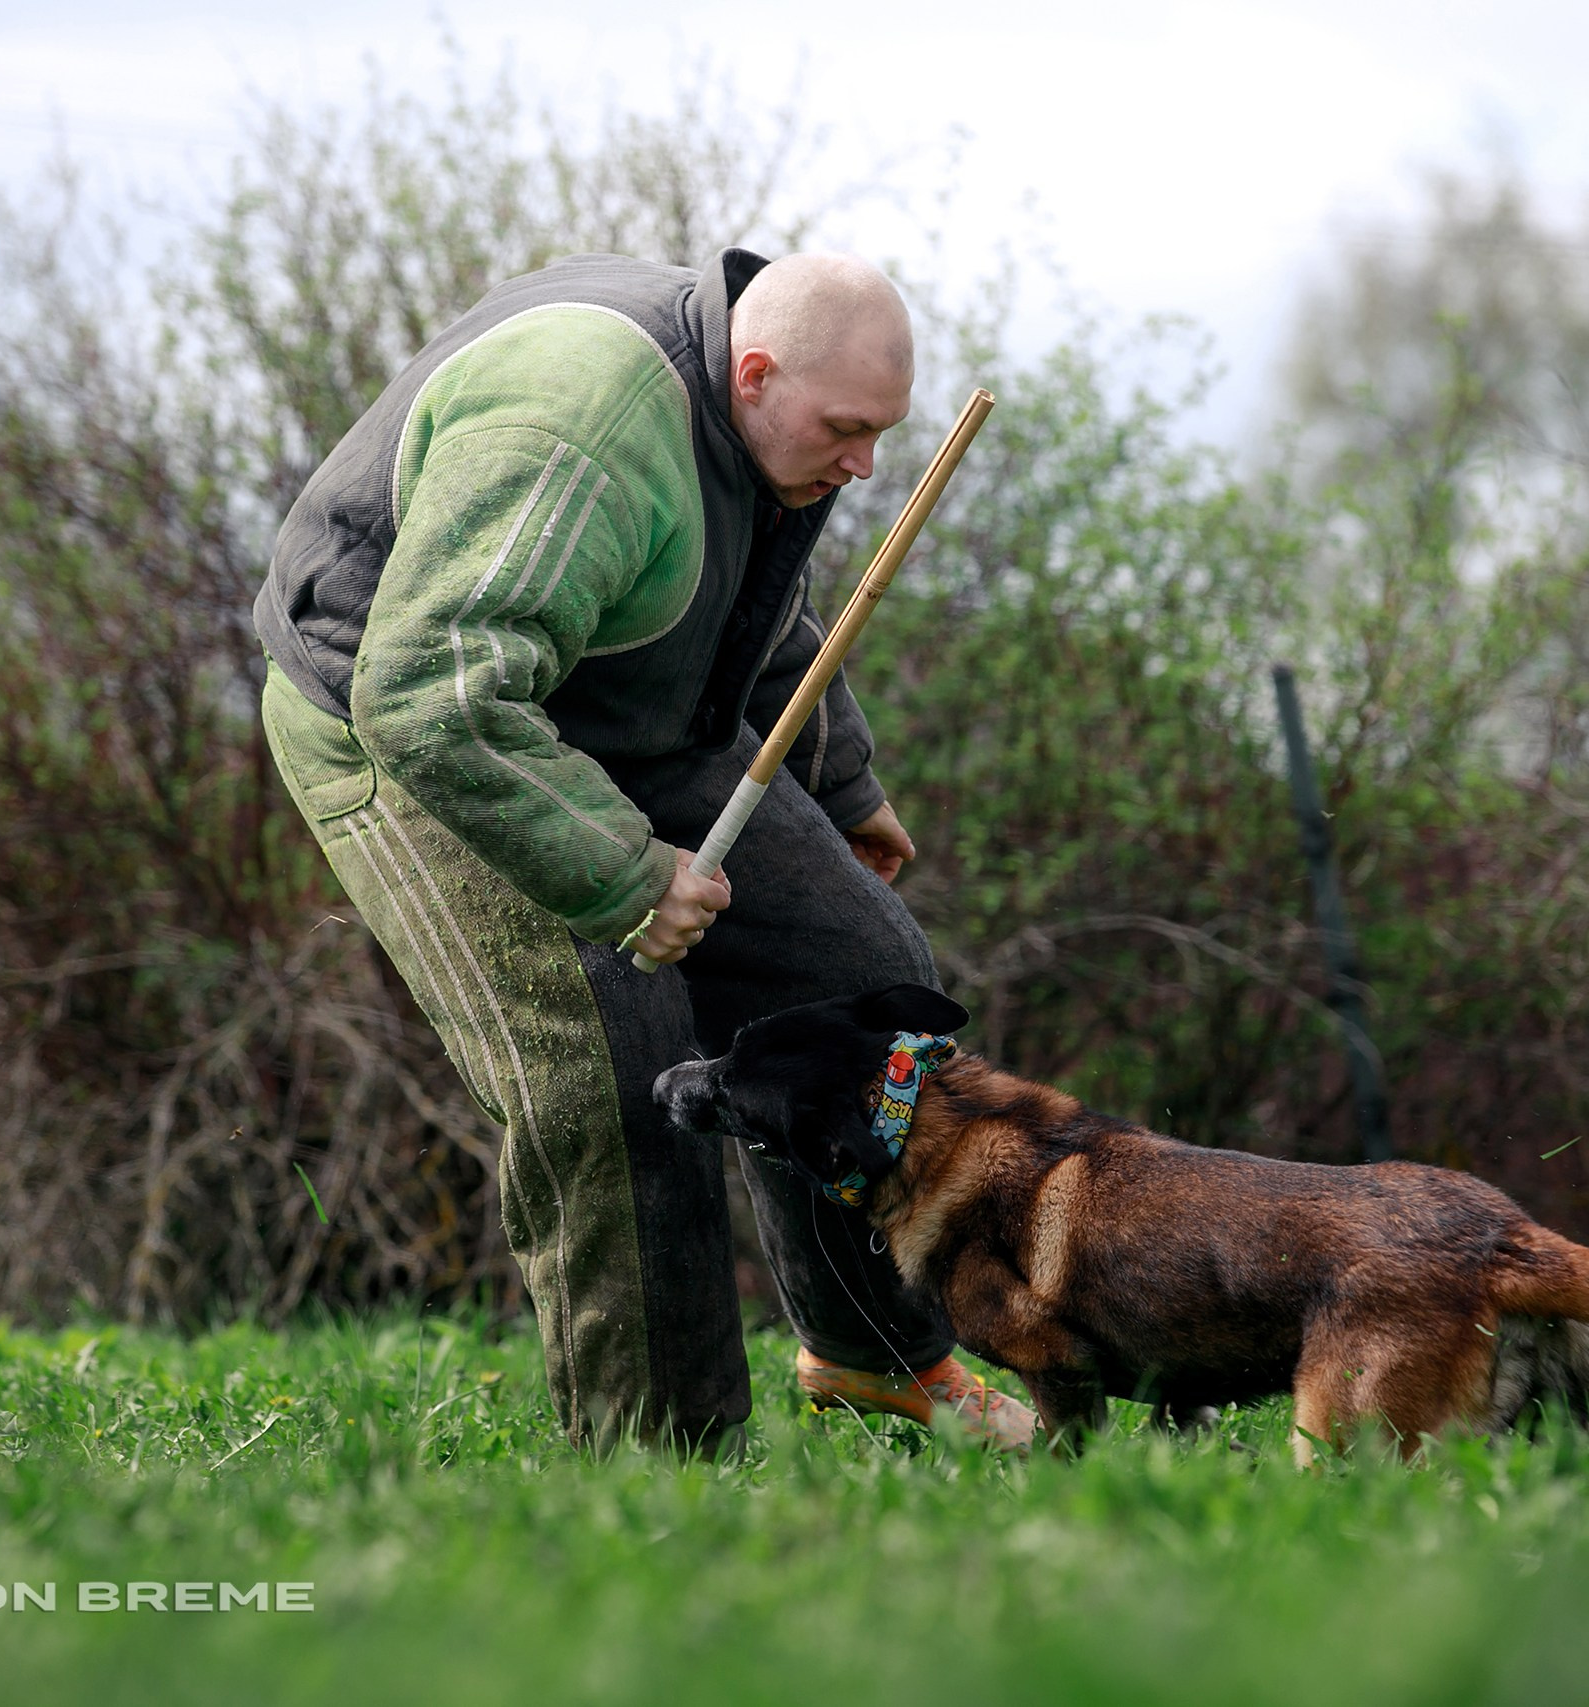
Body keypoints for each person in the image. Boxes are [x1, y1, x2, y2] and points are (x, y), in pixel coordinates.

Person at [251, 246, 1036, 1455]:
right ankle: (662, 1462)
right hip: (403, 720)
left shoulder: (765, 416)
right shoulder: (580, 435)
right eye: (845, 429)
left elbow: (748, 602)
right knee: (616, 1072)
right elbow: (432, 696)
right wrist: (627, 876)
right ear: (758, 372)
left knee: (859, 981)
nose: (865, 465)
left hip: (619, 709)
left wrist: (839, 780)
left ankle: (872, 1359)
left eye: (883, 434)